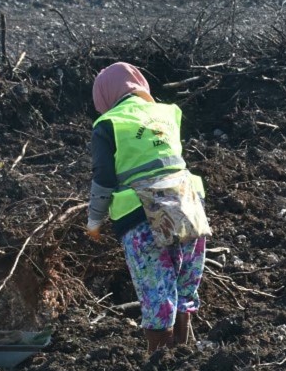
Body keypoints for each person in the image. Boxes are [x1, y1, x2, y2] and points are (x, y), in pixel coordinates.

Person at [86, 62, 209, 354]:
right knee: (184, 285)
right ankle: (182, 357)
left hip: (142, 215)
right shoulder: (168, 112)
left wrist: (94, 221)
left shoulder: (108, 124)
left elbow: (103, 179)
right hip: (189, 207)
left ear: (104, 96)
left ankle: (158, 369)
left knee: (156, 290)